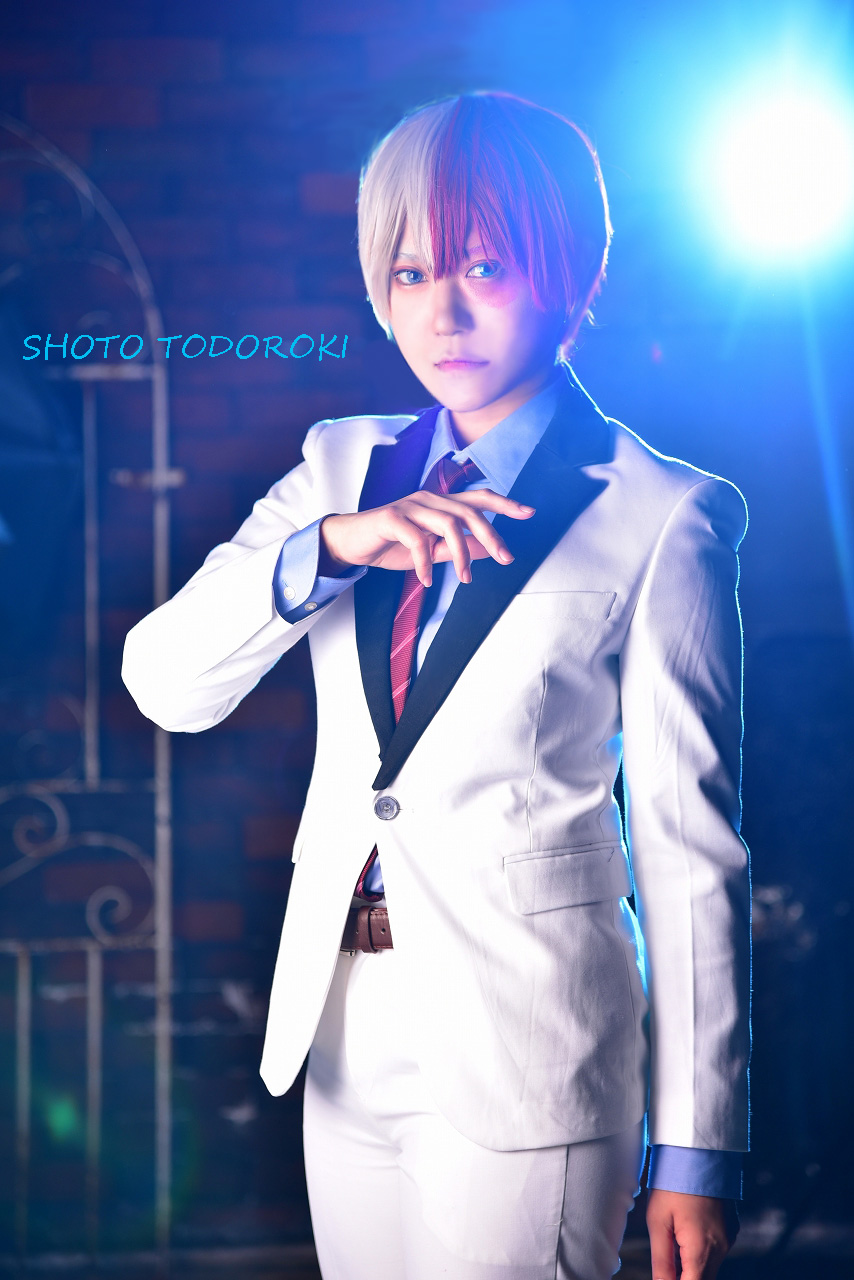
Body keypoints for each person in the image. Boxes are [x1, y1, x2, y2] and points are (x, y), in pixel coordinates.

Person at [122, 90, 751, 1280]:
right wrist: (331, 547)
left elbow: (688, 851)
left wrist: (696, 1145)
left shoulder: (661, 514)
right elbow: (162, 681)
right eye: (409, 272)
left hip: (533, 1044)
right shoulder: (338, 466)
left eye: (483, 266)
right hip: (341, 1029)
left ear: (574, 274)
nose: (441, 310)